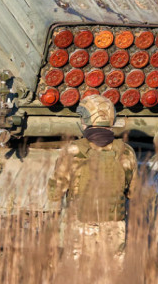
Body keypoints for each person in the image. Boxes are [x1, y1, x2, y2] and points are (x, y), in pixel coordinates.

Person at [48, 95, 137, 257]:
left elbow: (54, 194)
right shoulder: (126, 151)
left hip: (79, 225)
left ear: (86, 120)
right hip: (115, 227)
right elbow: (133, 192)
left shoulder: (72, 150)